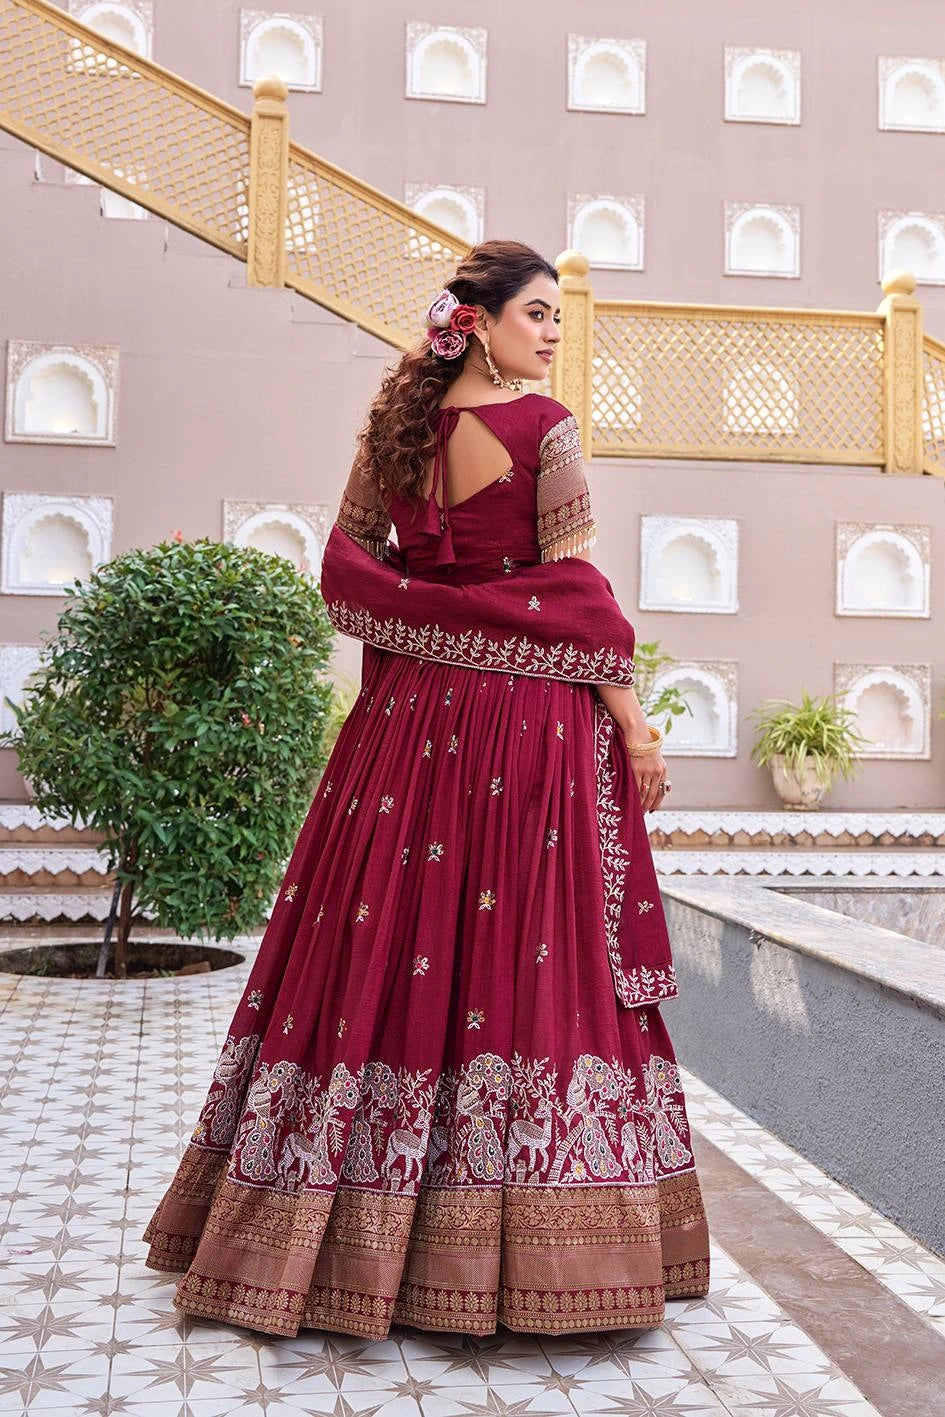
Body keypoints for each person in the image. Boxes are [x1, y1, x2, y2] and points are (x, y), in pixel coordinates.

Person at [143, 239, 711, 1340]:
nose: (552, 333)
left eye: (556, 317)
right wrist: (635, 726)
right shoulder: (545, 430)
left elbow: (350, 570)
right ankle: (527, 1256)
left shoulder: (399, 427)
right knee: (528, 966)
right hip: (523, 736)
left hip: (403, 735)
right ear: (484, 322)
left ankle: (329, 1243)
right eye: (538, 314)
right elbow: (580, 597)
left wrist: (437, 620)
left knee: (384, 958)